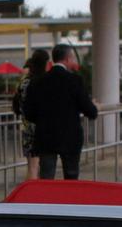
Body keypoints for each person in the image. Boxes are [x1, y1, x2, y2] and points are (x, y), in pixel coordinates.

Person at [23, 43, 98, 180]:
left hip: (45, 137)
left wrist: (43, 120)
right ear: (68, 59)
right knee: (71, 177)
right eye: (73, 58)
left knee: (47, 177)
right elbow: (91, 111)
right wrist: (94, 106)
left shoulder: (37, 82)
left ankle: (47, 200)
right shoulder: (75, 81)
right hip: (70, 137)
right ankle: (68, 200)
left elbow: (28, 112)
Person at [12, 48, 50, 181]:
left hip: (26, 126)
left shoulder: (23, 83)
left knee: (31, 166)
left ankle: (31, 193)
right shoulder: (41, 81)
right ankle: (33, 196)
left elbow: (17, 104)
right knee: (37, 167)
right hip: (40, 128)